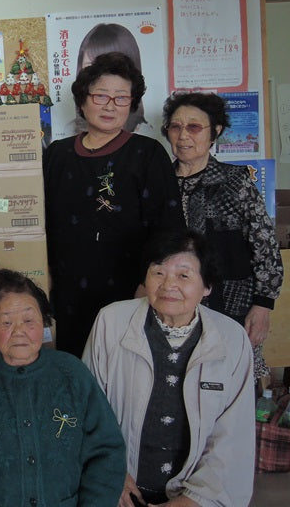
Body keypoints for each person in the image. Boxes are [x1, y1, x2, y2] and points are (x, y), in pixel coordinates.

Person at [83, 229, 255, 506]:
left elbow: (233, 439)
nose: (168, 285)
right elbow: (89, 411)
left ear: (207, 286)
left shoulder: (232, 340)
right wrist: (111, 474)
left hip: (195, 498)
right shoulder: (111, 322)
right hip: (119, 491)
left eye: (183, 275)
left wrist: (194, 500)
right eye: (158, 272)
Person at [0, 268, 126, 506]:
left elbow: (107, 451)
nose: (19, 331)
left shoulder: (72, 373)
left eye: (28, 320)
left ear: (44, 321)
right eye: (6, 322)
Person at [44, 52, 184, 357]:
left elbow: (170, 229)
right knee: (73, 371)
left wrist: (150, 286)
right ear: (82, 100)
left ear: (132, 105)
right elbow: (40, 222)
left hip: (130, 293)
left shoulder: (147, 154)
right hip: (66, 294)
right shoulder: (57, 155)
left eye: (121, 98)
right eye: (101, 96)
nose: (110, 105)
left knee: (122, 376)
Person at [161, 91, 283, 379]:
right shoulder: (159, 183)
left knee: (232, 383)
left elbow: (264, 244)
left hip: (233, 304)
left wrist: (263, 304)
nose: (183, 136)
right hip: (174, 306)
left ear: (215, 132)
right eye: (176, 127)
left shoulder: (235, 182)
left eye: (194, 127)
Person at [64, 23, 154, 137]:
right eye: (92, 67)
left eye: (121, 97)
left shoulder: (148, 144)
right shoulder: (66, 137)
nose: (109, 107)